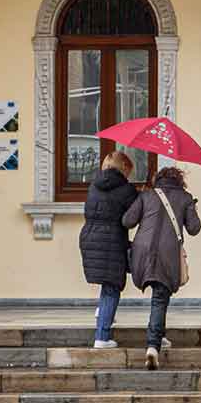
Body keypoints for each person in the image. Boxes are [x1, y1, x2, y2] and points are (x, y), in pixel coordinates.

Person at [122, 162, 201, 369]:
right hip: (167, 253)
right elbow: (194, 228)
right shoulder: (185, 198)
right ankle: (152, 345)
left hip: (142, 251)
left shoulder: (146, 195)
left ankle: (159, 336)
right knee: (160, 297)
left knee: (159, 296)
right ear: (180, 181)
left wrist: (139, 199)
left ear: (158, 180)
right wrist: (192, 207)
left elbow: (127, 221)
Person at [79, 150, 138, 349]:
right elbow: (132, 217)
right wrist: (140, 195)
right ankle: (102, 337)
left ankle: (102, 314)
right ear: (124, 167)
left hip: (89, 237)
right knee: (112, 288)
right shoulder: (126, 189)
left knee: (107, 284)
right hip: (111, 239)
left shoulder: (93, 186)